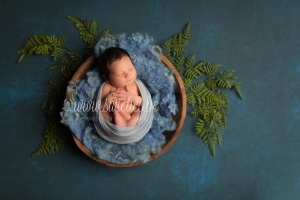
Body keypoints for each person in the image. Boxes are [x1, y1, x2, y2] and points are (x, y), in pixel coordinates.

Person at [97, 47, 142, 127]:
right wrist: (107, 100)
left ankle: (127, 125)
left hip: (133, 117)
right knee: (103, 113)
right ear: (107, 78)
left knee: (140, 111)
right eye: (119, 74)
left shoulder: (136, 85)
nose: (128, 75)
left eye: (130, 69)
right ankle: (118, 125)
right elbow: (100, 107)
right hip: (115, 116)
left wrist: (133, 98)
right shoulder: (108, 87)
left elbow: (144, 103)